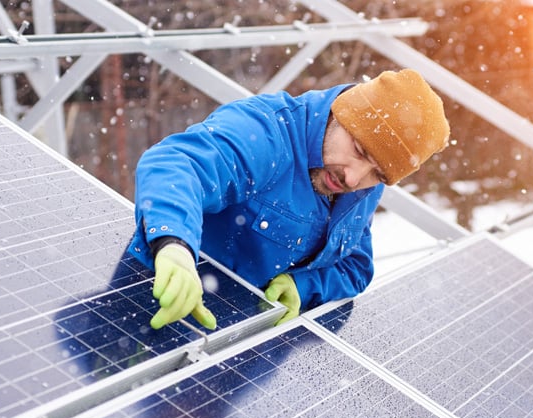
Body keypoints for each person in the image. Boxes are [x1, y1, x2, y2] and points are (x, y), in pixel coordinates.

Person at [128, 69, 450, 330]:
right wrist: (175, 245)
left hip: (238, 348)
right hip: (153, 305)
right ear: (343, 114)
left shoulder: (362, 186)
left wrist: (303, 285)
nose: (353, 179)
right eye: (360, 150)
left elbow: (355, 266)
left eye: (378, 174)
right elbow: (177, 164)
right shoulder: (268, 133)